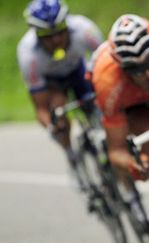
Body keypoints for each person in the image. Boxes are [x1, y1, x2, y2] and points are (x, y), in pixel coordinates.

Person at [90, 14, 149, 230]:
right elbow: (116, 150)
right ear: (122, 68)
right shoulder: (108, 83)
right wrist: (131, 163)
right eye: (136, 69)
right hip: (131, 105)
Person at [17, 0, 103, 188]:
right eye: (47, 36)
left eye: (60, 31)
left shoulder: (84, 29)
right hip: (53, 84)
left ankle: (103, 147)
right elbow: (40, 107)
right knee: (58, 114)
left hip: (79, 71)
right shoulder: (28, 54)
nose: (56, 40)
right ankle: (71, 157)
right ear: (37, 35)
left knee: (101, 105)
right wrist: (52, 126)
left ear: (67, 24)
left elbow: (107, 66)